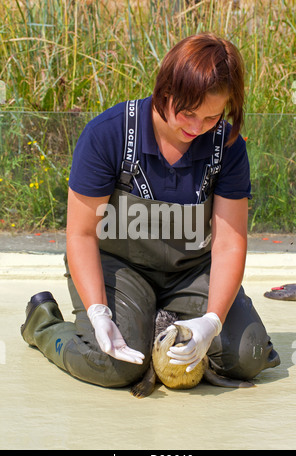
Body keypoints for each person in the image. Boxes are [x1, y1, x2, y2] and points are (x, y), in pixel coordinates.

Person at [21, 33, 280, 388]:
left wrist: (212, 322)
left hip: (192, 271)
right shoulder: (108, 135)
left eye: (211, 118)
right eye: (188, 113)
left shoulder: (228, 146)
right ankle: (45, 325)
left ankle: (162, 320)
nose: (195, 128)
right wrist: (98, 311)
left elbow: (229, 244)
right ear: (165, 89)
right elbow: (80, 235)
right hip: (119, 267)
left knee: (249, 355)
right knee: (113, 365)